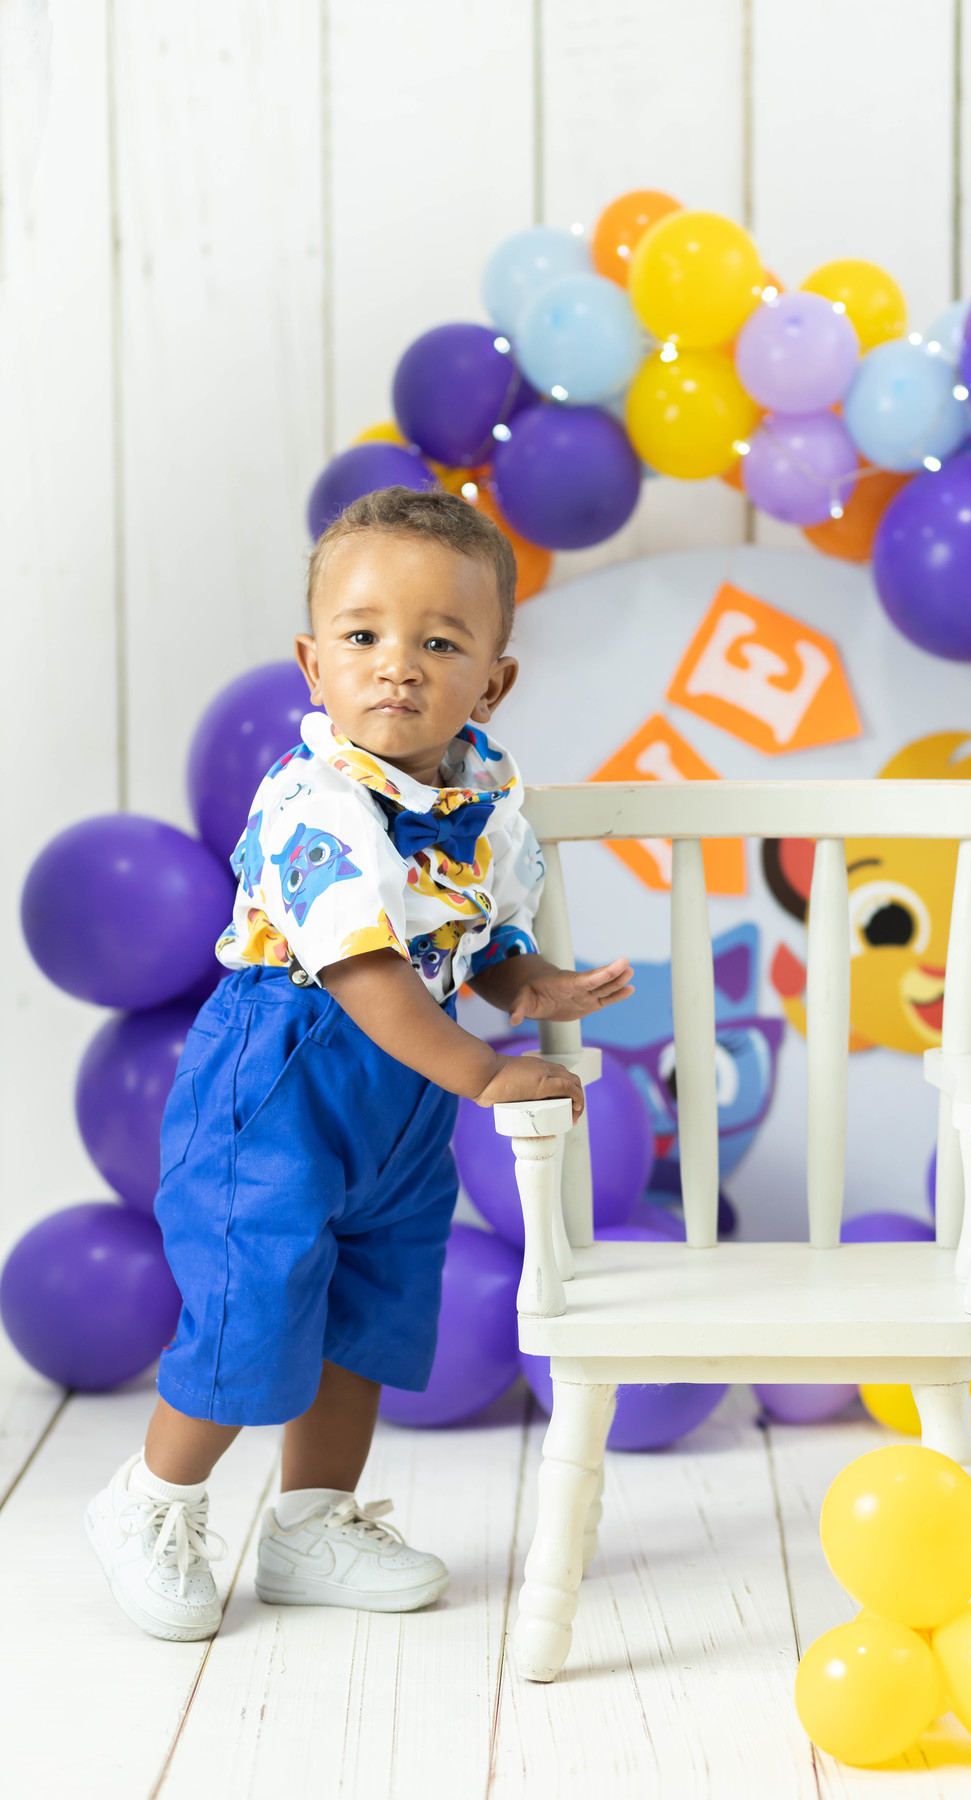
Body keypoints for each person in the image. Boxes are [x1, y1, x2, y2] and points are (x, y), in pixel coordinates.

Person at [85, 485, 633, 1642]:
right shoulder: (314, 800)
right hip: (282, 1081)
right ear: (313, 662)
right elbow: (368, 971)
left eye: (440, 643)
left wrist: (529, 984)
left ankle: (311, 1522)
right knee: (253, 1299)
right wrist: (485, 1074)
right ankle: (154, 1500)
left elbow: (475, 936)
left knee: (368, 1303)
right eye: (364, 635)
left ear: (493, 681)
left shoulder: (484, 795)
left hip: (399, 1100)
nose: (397, 666)